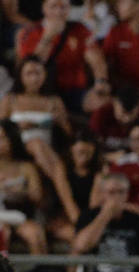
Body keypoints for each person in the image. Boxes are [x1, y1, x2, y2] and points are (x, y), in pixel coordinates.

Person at [0, 56, 82, 222]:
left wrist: (61, 121)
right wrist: (17, 127)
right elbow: (1, 127)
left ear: (44, 75)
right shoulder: (11, 99)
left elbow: (69, 135)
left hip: (47, 149)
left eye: (38, 73)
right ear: (21, 76)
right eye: (29, 73)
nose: (34, 78)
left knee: (43, 149)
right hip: (18, 145)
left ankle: (61, 205)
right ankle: (71, 208)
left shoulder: (53, 100)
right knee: (41, 149)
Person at [72, 171, 139, 272]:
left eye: (121, 192)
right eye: (111, 192)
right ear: (103, 194)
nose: (116, 197)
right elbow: (81, 246)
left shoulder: (137, 221)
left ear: (127, 194)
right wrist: (105, 215)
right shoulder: (89, 216)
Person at [17, 0, 108, 112]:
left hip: (74, 90)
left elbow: (96, 61)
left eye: (63, 7)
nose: (58, 11)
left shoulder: (79, 29)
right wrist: (48, 37)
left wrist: (101, 81)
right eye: (53, 6)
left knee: (104, 103)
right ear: (44, 8)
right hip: (41, 91)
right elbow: (31, 67)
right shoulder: (30, 32)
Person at [0, 121, 48, 255]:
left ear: (12, 138)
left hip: (21, 216)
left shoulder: (27, 167)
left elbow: (37, 196)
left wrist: (19, 191)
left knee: (34, 234)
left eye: (3, 138)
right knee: (4, 232)